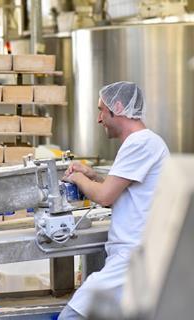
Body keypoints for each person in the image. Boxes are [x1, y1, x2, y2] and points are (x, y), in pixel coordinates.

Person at [58, 82, 169, 319]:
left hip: (133, 258)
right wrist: (93, 175)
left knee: (72, 315)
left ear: (117, 107)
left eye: (102, 110)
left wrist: (78, 178)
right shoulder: (142, 142)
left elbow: (106, 196)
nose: (99, 119)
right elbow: (120, 191)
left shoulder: (141, 142)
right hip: (132, 255)